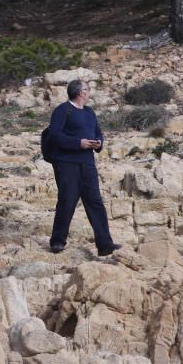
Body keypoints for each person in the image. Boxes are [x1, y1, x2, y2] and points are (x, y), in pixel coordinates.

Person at [47, 79, 121, 257]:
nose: (89, 92)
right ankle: (57, 241)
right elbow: (54, 135)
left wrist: (99, 143)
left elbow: (98, 132)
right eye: (87, 89)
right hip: (66, 164)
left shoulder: (89, 112)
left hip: (87, 163)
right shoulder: (63, 110)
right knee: (67, 201)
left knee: (95, 202)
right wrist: (77, 143)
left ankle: (104, 244)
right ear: (81, 92)